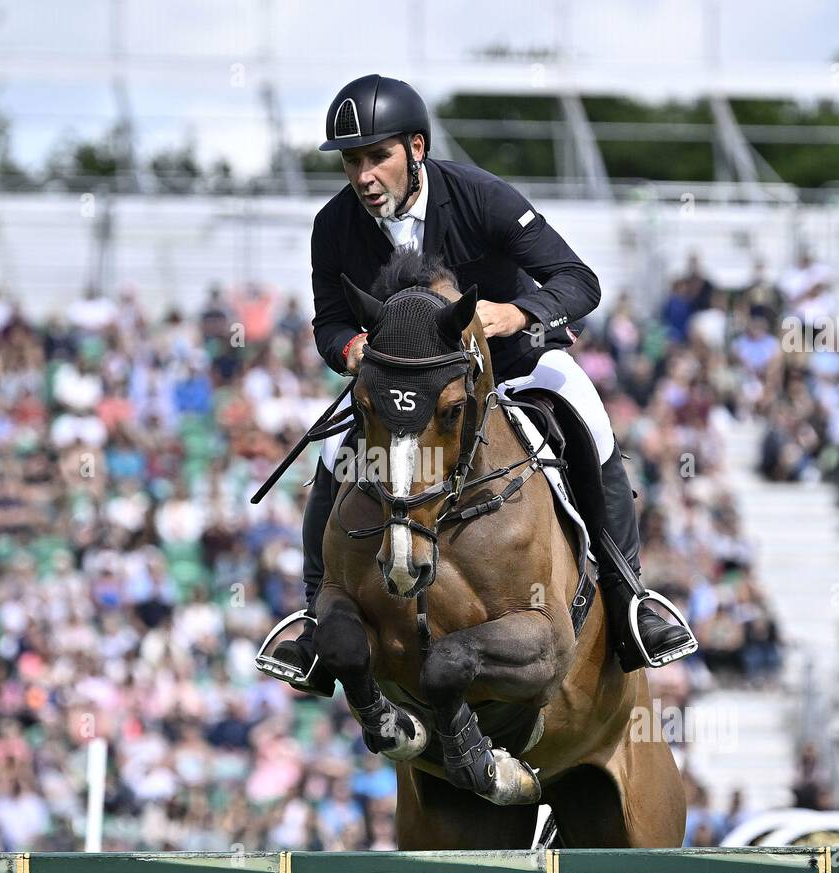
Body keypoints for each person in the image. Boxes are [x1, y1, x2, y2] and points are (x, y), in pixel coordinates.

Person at [266, 74, 696, 690]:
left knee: (589, 415)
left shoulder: (480, 196)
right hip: (406, 383)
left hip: (513, 364)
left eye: (376, 156)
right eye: (352, 161)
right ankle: (316, 622)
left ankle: (630, 598)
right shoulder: (333, 225)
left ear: (416, 147)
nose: (363, 176)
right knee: (334, 448)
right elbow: (330, 320)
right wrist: (353, 348)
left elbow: (579, 280)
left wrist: (516, 313)